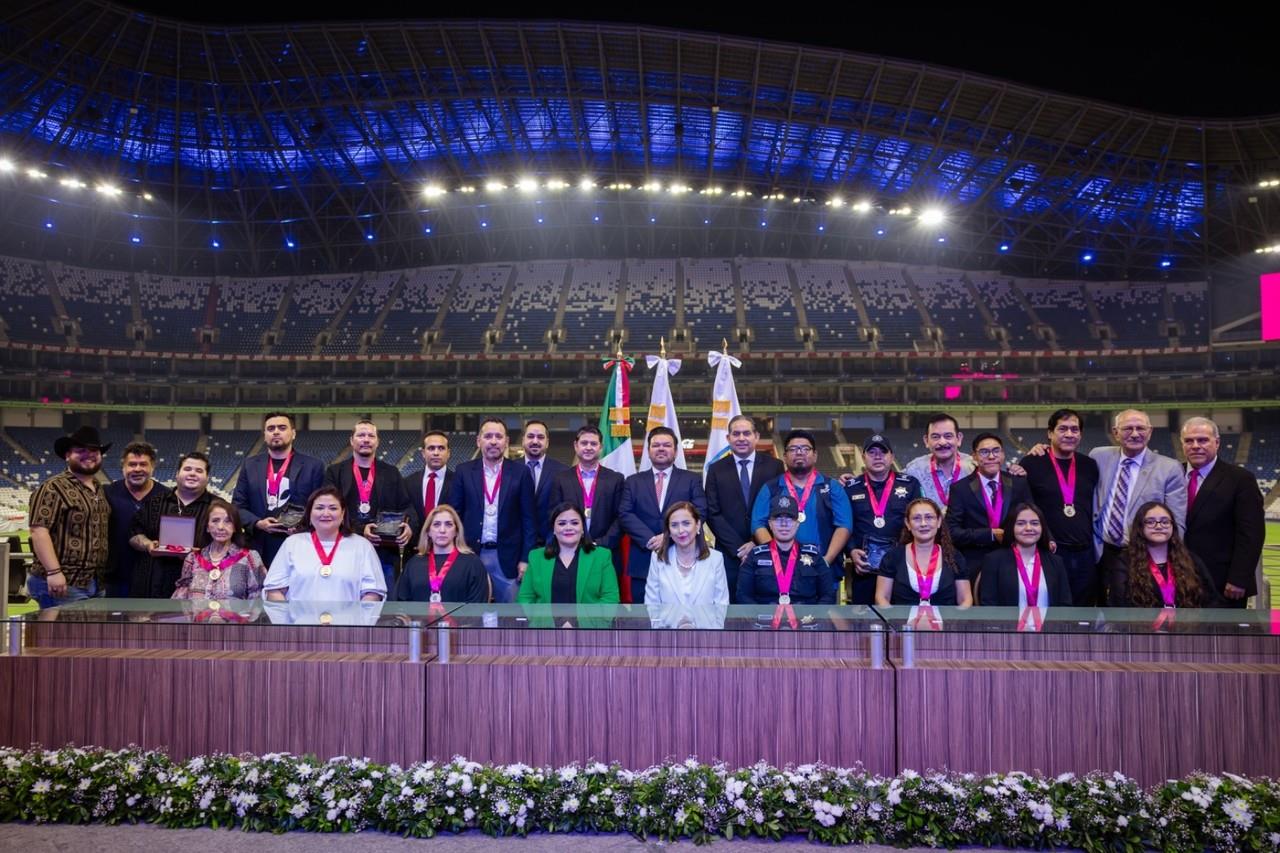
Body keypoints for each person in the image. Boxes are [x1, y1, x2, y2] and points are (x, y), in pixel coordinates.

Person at [1091, 409, 1187, 604]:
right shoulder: (1098, 456)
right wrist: (1042, 449)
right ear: (1115, 432)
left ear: (1150, 432)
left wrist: (1168, 561)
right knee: (1099, 612)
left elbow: (1177, 522)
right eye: (1128, 428)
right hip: (1101, 552)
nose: (1135, 434)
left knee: (1136, 613)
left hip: (1142, 556)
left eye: (1140, 428)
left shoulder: (1169, 468)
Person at [446, 418, 536, 603]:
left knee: (509, 617)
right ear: (479, 441)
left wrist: (525, 559)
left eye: (498, 436)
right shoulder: (463, 471)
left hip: (508, 558)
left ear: (507, 441)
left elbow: (529, 519)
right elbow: (454, 515)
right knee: (470, 614)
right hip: (470, 553)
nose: (493, 441)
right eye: (488, 436)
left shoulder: (521, 473)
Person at [750, 429, 852, 590]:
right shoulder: (770, 488)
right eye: (793, 449)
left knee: (823, 614)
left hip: (823, 570)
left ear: (815, 455)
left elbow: (844, 525)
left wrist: (826, 560)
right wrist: (777, 557)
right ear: (784, 456)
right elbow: (757, 524)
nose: (799, 452)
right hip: (780, 572)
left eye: (805, 448)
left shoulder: (832, 487)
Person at [1018, 409, 1101, 605]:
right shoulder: (1032, 462)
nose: (1069, 434)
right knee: (1051, 608)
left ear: (1080, 434)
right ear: (1050, 433)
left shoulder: (1089, 465)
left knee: (1084, 610)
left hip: (1085, 554)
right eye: (1062, 429)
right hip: (1049, 552)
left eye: (1074, 429)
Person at [1180, 417, 1265, 608]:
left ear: (1217, 443)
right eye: (1189, 441)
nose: (1195, 446)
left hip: (1223, 583)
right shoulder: (1172, 474)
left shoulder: (1240, 479)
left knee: (1222, 637)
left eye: (1202, 440)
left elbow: (1251, 533)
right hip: (1178, 580)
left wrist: (1239, 578)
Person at [26, 426, 112, 609]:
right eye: (80, 450)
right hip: (64, 581)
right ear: (67, 455)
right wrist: (54, 571)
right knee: (64, 637)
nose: (88, 455)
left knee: (88, 637)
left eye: (94, 450)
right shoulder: (53, 487)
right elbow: (38, 530)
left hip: (95, 581)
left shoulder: (98, 488)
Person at [619, 427, 707, 604]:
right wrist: (651, 539)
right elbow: (625, 513)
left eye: (666, 445)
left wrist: (668, 537)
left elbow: (700, 511)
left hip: (682, 558)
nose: (661, 449)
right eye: (656, 445)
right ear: (648, 450)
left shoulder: (692, 479)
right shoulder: (633, 481)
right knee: (643, 620)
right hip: (644, 557)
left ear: (675, 450)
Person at [324, 420, 412, 592]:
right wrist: (360, 529)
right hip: (345, 549)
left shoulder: (391, 472)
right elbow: (329, 511)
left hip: (383, 553)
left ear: (377, 441)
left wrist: (409, 526)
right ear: (351, 440)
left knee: (384, 607)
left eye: (371, 436)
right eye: (361, 435)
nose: (366, 439)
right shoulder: (335, 472)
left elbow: (406, 506)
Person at [704, 414, 784, 603]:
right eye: (736, 433)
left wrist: (757, 542)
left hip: (766, 548)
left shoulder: (775, 466)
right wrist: (738, 548)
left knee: (766, 605)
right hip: (730, 554)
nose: (741, 438)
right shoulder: (716, 469)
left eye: (746, 433)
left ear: (756, 436)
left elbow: (779, 507)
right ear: (728, 438)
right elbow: (712, 512)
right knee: (729, 606)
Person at [262, 485, 386, 602]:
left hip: (348, 622)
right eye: (319, 508)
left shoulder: (362, 546)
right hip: (300, 623)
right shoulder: (292, 544)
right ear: (309, 513)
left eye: (333, 508)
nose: (326, 514)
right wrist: (288, 621)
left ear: (343, 514)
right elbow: (274, 589)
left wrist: (356, 622)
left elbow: (373, 593)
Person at [233, 412, 326, 566]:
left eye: (282, 428)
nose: (276, 431)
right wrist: (258, 523)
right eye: (270, 428)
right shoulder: (250, 465)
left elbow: (321, 506)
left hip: (300, 546)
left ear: (293, 433)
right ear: (265, 435)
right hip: (258, 547)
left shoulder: (313, 466)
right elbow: (237, 506)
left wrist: (301, 526)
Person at [945, 433, 1033, 591]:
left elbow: (1034, 519)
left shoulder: (1019, 483)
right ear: (974, 456)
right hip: (975, 563)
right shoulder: (960, 489)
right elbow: (951, 532)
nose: (991, 456)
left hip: (1014, 561)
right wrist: (990, 534)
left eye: (996, 451)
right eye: (984, 452)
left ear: (1003, 454)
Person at [844, 434, 920, 605]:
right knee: (864, 621)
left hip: (902, 568)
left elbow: (918, 523)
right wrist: (851, 552)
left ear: (892, 456)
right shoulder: (850, 488)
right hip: (864, 569)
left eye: (883, 452)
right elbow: (844, 526)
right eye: (872, 452)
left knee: (901, 619)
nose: (877, 456)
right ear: (863, 457)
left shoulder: (910, 484)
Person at [129, 451, 216, 598]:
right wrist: (148, 544)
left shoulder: (217, 507)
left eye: (199, 471)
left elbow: (228, 545)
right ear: (177, 474)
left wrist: (201, 555)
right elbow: (134, 534)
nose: (192, 474)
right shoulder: (154, 502)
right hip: (152, 585)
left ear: (207, 478)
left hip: (199, 587)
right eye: (187, 469)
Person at [1107, 500, 1220, 608]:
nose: (1159, 526)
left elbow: (1212, 600)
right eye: (1150, 522)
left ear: (1173, 527)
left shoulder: (1190, 560)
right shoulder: (1125, 562)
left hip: (1186, 626)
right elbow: (1118, 604)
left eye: (1165, 521)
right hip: (1142, 626)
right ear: (1140, 527)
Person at [546, 426, 626, 569]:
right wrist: (570, 541)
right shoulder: (561, 479)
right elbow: (554, 515)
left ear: (601, 447)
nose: (588, 447)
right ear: (576, 446)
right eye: (584, 443)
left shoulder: (616, 479)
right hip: (569, 551)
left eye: (593, 444)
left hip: (605, 551)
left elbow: (620, 517)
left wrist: (602, 543)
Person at [739, 494, 836, 606]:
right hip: (766, 620)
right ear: (770, 524)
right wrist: (759, 619)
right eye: (778, 519)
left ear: (797, 524)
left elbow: (828, 595)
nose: (784, 524)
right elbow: (743, 596)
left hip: (804, 620)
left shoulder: (814, 555)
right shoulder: (755, 556)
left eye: (789, 519)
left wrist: (814, 618)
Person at [876, 498, 972, 607]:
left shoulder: (954, 557)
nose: (923, 523)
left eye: (929, 517)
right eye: (916, 518)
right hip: (902, 623)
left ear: (939, 521)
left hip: (945, 622)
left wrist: (955, 622)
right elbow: (882, 597)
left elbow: (965, 599)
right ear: (908, 524)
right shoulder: (893, 557)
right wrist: (893, 622)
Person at [517, 503, 620, 604]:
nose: (568, 528)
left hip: (588, 621)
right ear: (553, 529)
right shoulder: (536, 557)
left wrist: (582, 621)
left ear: (583, 528)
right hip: (546, 621)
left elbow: (610, 598)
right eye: (562, 523)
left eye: (574, 523)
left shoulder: (602, 556)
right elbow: (525, 598)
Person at [103, 441, 169, 597]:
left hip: (152, 580)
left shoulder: (167, 496)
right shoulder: (107, 493)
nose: (137, 469)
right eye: (132, 464)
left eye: (143, 464)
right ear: (123, 467)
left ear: (152, 466)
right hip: (114, 579)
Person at [979, 503, 1073, 607]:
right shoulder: (993, 560)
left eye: (1035, 523)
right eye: (1021, 523)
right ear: (1011, 527)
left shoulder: (1056, 562)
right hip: (1007, 623)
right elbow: (989, 605)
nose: (1028, 528)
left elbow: (1065, 605)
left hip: (1049, 623)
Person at [171, 499, 267, 601]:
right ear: (207, 527)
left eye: (228, 521)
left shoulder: (249, 557)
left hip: (235, 617)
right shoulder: (192, 558)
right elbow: (181, 601)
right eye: (215, 521)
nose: (221, 527)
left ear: (235, 527)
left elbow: (258, 602)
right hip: (198, 617)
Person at [644, 501, 729, 614]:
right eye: (674, 525)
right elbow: (651, 605)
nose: (681, 531)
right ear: (668, 531)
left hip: (705, 630)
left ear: (698, 525)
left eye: (686, 523)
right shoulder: (658, 558)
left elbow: (721, 606)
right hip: (667, 629)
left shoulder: (716, 559)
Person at [395, 505, 490, 603]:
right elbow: (402, 603)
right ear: (428, 531)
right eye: (436, 524)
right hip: (418, 618)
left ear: (456, 531)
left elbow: (477, 606)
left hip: (460, 619)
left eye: (449, 524)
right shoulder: (413, 564)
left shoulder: (472, 563)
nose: (442, 530)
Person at [902, 413, 975, 511]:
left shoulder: (974, 469)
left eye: (948, 436)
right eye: (935, 437)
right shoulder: (914, 470)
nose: (942, 442)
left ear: (959, 438)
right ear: (926, 440)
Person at [521, 419, 569, 546]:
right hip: (515, 548)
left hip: (550, 546)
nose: (535, 441)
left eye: (540, 437)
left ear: (547, 443)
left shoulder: (563, 472)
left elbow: (564, 511)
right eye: (530, 436)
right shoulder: (509, 470)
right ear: (523, 440)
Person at [404, 430, 454, 543]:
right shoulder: (408, 482)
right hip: (415, 548)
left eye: (441, 448)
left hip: (448, 547)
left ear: (448, 453)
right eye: (431, 448)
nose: (436, 453)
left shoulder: (458, 482)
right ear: (423, 453)